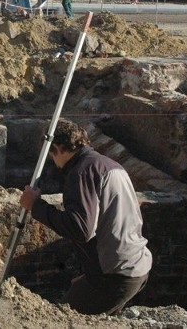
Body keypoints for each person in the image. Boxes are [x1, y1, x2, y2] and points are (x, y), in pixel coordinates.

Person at [19, 119, 152, 316]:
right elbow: (107, 223)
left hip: (115, 275)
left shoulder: (80, 173)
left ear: (57, 148)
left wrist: (36, 206)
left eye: (51, 155)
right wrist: (89, 275)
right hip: (134, 265)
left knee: (61, 320)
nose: (53, 162)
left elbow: (80, 229)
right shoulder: (108, 164)